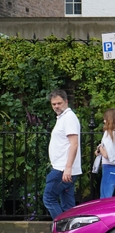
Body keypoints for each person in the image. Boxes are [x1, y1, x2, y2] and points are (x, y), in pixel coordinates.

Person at [43, 89, 81, 219]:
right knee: (67, 205)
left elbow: (74, 143)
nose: (56, 106)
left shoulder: (68, 118)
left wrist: (68, 167)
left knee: (49, 198)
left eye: (59, 103)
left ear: (66, 101)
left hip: (62, 169)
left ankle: (61, 229)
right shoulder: (64, 118)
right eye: (53, 104)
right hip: (64, 168)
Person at [96, 108, 115, 198]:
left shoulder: (110, 134)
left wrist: (100, 148)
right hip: (113, 166)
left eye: (105, 119)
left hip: (110, 166)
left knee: (105, 196)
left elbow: (106, 154)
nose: (104, 121)